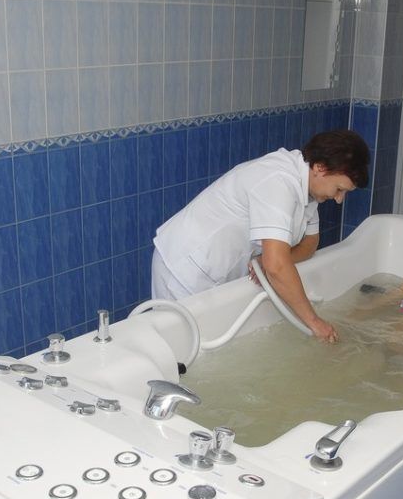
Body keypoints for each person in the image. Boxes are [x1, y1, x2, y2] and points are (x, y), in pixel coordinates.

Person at [151, 129, 370, 343]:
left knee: (207, 347)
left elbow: (310, 243)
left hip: (218, 270)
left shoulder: (309, 190)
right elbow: (276, 267)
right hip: (185, 267)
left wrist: (269, 259)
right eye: (339, 189)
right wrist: (314, 322)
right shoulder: (277, 182)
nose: (339, 199)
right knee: (180, 349)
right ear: (320, 168)